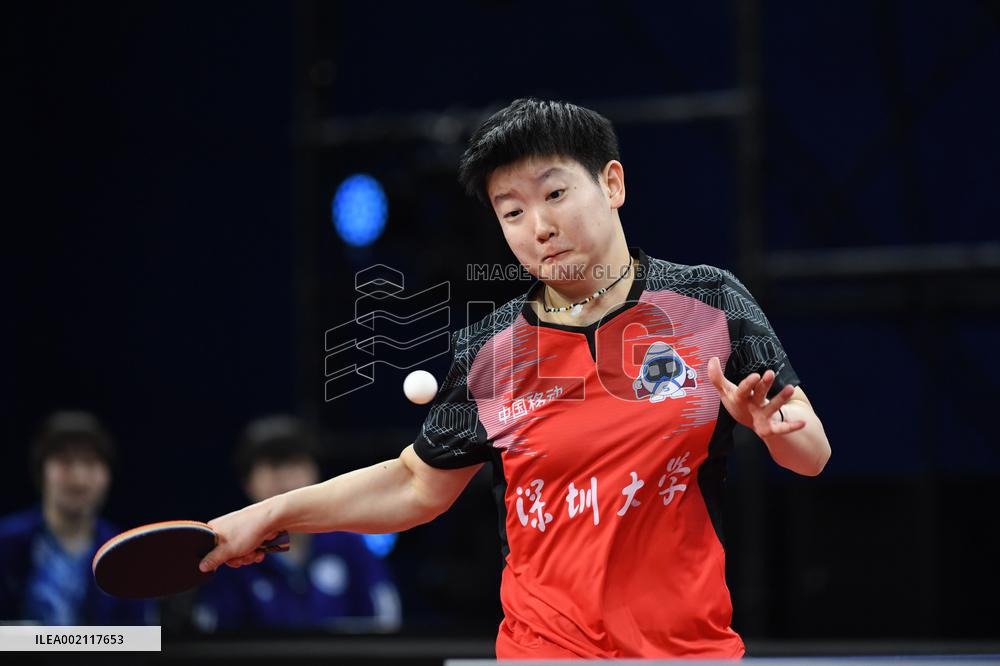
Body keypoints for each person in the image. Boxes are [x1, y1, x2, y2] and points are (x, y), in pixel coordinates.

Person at [199, 99, 831, 658]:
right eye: (512, 212)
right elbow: (415, 484)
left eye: (555, 195)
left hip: (687, 654)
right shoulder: (492, 348)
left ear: (611, 183)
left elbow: (812, 456)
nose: (539, 228)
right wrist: (273, 512)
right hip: (543, 652)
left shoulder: (709, 301)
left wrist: (773, 431)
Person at [191, 415, 400, 633]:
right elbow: (209, 640)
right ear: (247, 482)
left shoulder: (351, 545)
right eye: (271, 465)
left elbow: (386, 624)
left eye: (294, 462)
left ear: (315, 472)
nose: (284, 477)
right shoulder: (232, 559)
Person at [0, 411, 154, 625]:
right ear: (42, 470)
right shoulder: (5, 543)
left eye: (90, 463)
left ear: (107, 475)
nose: (78, 477)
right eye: (65, 462)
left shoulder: (127, 552)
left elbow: (140, 642)